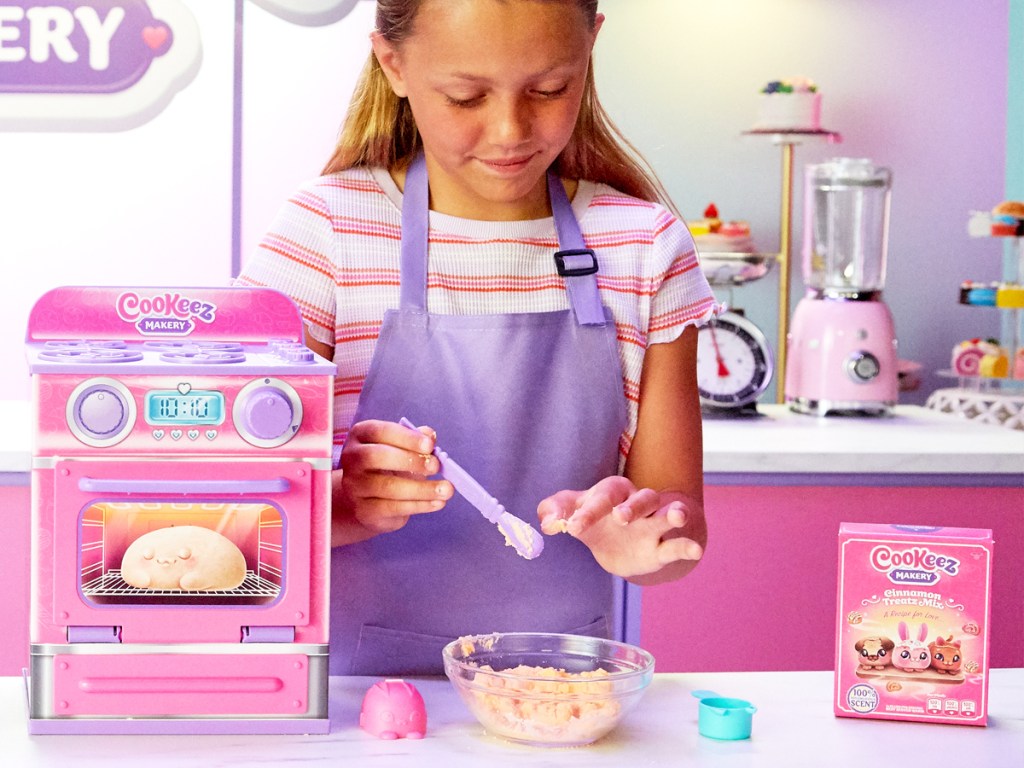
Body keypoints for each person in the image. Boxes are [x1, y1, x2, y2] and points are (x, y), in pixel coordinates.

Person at [235, 0, 720, 676]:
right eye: (466, 95)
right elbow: (235, 512)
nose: (510, 130)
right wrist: (345, 502)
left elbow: (678, 530)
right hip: (359, 704)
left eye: (550, 89)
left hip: (560, 699)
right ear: (394, 64)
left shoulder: (642, 249)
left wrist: (645, 538)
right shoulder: (324, 237)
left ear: (592, 50)